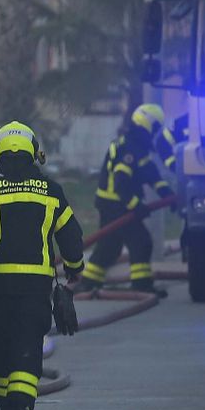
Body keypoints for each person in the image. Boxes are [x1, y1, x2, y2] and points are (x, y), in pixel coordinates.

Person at [0, 121, 85, 410]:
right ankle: (22, 404)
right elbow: (71, 237)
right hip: (35, 286)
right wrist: (74, 268)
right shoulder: (50, 192)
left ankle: (6, 401)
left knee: (3, 341)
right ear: (33, 152)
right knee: (28, 340)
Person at [80, 104, 176, 294]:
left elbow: (152, 175)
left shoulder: (138, 146)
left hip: (113, 203)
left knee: (109, 246)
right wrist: (135, 206)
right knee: (141, 241)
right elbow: (121, 182)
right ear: (147, 123)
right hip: (116, 204)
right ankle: (141, 286)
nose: (156, 132)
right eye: (156, 127)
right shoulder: (130, 148)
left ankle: (89, 282)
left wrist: (168, 195)